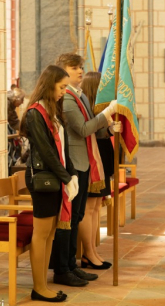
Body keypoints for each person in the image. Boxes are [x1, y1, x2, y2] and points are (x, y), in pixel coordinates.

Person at [50, 53, 119, 287]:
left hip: (86, 162)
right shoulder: (67, 98)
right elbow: (81, 129)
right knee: (70, 218)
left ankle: (72, 265)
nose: (80, 71)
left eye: (81, 67)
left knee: (77, 216)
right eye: (74, 67)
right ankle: (64, 268)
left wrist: (109, 128)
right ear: (62, 71)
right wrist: (106, 114)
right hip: (73, 163)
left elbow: (95, 130)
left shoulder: (80, 96)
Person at [20, 65, 78, 302]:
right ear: (49, 83)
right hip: (43, 179)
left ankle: (43, 284)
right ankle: (39, 287)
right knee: (42, 234)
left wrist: (72, 174)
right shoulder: (35, 113)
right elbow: (46, 151)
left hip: (55, 177)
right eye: (62, 86)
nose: (64, 91)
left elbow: (64, 148)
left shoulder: (52, 111)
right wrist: (66, 178)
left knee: (50, 234)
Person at [80, 71, 121, 269]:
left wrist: (112, 128)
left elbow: (102, 131)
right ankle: (87, 253)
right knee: (88, 208)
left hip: (103, 156)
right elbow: (90, 131)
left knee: (96, 207)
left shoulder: (98, 108)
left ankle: (93, 250)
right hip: (92, 159)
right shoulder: (88, 109)